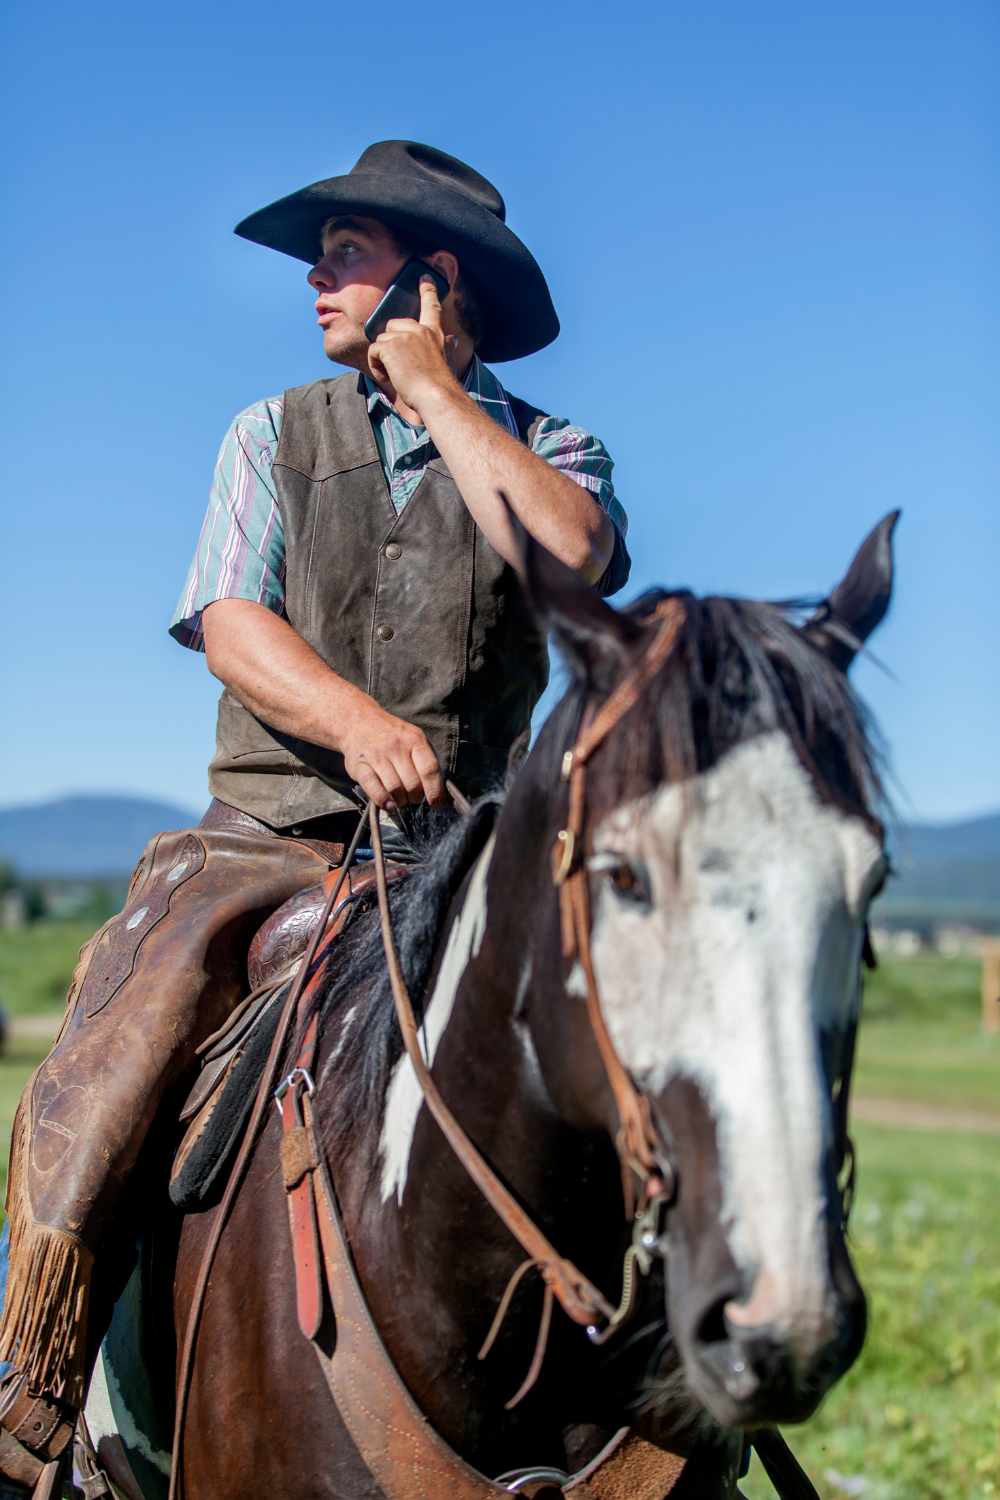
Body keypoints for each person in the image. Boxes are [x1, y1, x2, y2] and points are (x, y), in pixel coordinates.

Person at [0, 140, 630, 1487]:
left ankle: (681, 1397)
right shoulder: (269, 432)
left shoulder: (551, 449)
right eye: (322, 252)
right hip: (264, 841)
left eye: (345, 250)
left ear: (430, 279)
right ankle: (32, 1399)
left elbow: (574, 563)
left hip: (465, 861)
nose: (315, 276)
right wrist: (356, 723)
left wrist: (438, 394)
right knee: (119, 1046)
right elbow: (229, 619)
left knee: (638, 1064)